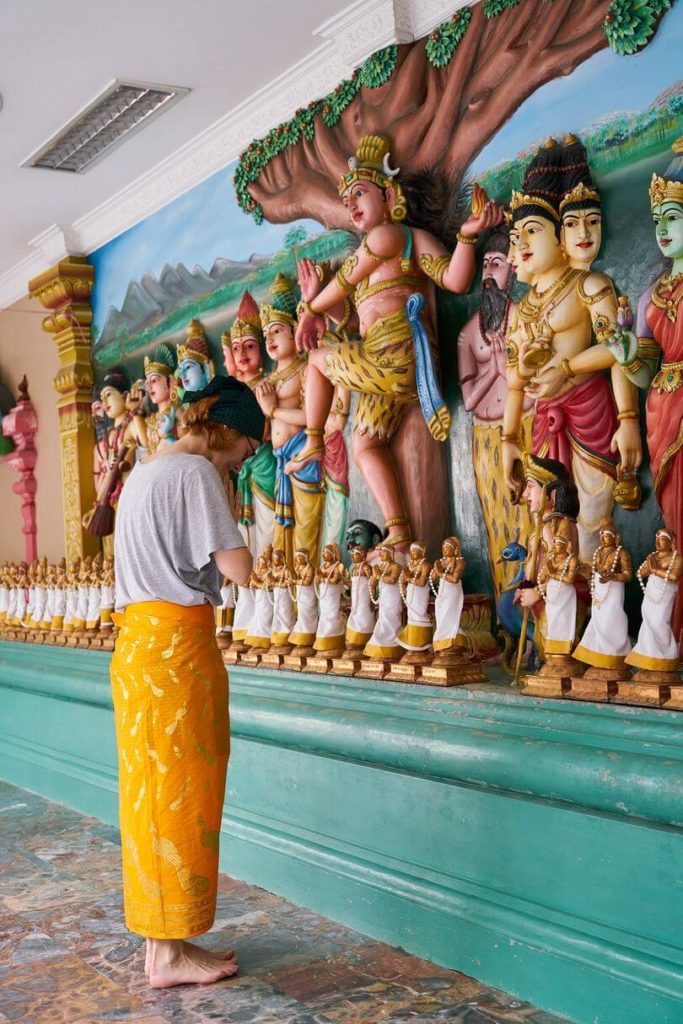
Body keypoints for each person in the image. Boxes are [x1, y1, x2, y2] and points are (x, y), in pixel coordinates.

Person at [110, 374, 263, 989]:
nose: (250, 458)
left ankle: (162, 945)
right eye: (249, 447)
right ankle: (168, 953)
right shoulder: (197, 475)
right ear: (228, 430)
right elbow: (239, 570)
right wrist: (244, 531)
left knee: (150, 797)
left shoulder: (144, 472)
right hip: (177, 654)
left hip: (139, 650)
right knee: (182, 797)